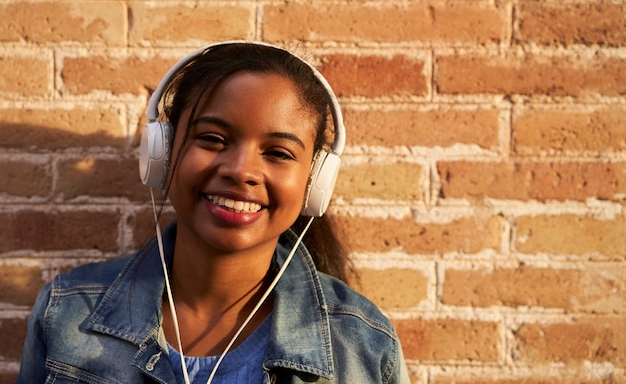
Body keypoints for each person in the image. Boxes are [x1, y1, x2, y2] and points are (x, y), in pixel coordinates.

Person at [16, 41, 410, 384]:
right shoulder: (66, 311)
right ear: (163, 154)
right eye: (212, 139)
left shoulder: (364, 346)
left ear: (315, 183)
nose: (241, 171)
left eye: (278, 153)